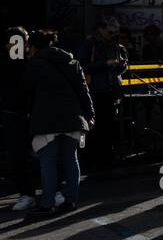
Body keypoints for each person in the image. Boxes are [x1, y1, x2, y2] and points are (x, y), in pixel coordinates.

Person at [22, 30, 95, 216]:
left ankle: (47, 204)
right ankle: (71, 200)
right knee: (71, 159)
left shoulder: (35, 64)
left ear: (34, 46)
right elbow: (83, 90)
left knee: (48, 162)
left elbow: (27, 92)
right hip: (73, 117)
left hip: (46, 119)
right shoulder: (72, 62)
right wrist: (90, 114)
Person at [0, 26, 38, 211]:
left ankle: (50, 190)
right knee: (17, 156)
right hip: (12, 114)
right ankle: (27, 193)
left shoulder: (32, 60)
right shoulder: (2, 63)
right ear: (8, 44)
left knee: (43, 153)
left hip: (35, 113)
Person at [77, 16, 128, 169]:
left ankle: (107, 157)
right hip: (94, 91)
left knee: (109, 125)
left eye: (115, 32)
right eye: (111, 31)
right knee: (95, 127)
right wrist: (105, 64)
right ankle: (93, 158)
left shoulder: (115, 45)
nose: (114, 34)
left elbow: (121, 69)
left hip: (111, 90)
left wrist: (121, 65)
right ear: (101, 28)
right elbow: (82, 66)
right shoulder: (90, 44)